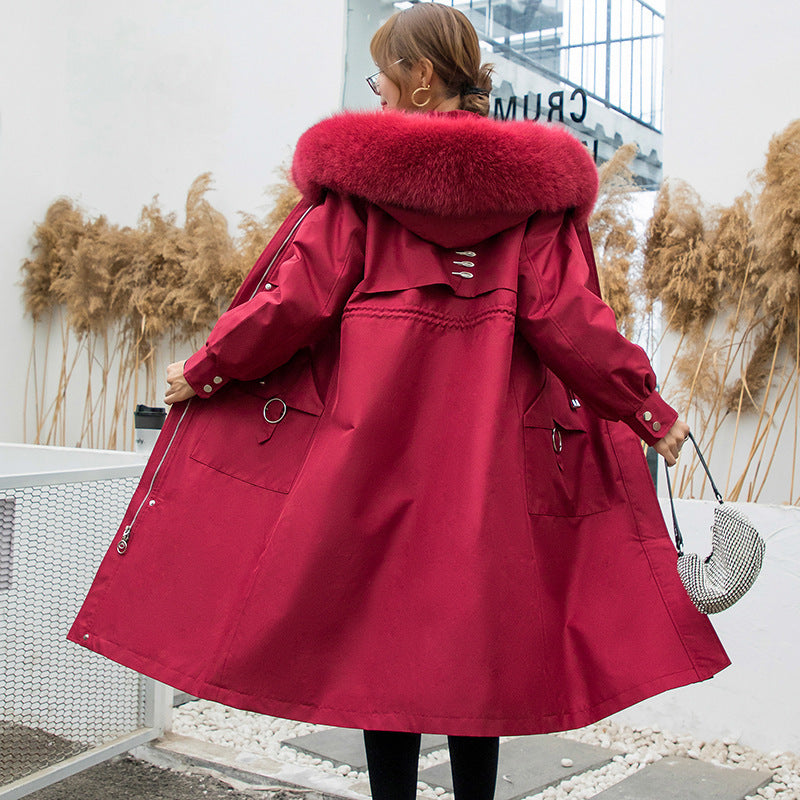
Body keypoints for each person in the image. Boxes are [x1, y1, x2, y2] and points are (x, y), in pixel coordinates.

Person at [70, 4, 729, 800]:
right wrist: (650, 412)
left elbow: (290, 306)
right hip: (489, 476)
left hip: (367, 461)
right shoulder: (535, 204)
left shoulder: (354, 196)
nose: (374, 86)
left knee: (381, 651)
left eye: (383, 71)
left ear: (419, 78)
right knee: (474, 655)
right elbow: (570, 323)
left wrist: (208, 369)